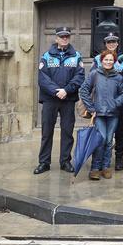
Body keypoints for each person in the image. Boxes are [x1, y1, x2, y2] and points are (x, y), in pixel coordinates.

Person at [35, 27, 84, 175]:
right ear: (56, 38)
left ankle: (65, 161)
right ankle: (44, 162)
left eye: (66, 37)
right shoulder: (46, 56)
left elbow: (80, 76)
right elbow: (43, 79)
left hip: (68, 99)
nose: (64, 39)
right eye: (61, 36)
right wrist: (57, 91)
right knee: (46, 132)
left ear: (69, 38)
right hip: (50, 99)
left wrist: (66, 90)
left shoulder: (76, 56)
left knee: (67, 131)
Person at [80, 48, 123, 181]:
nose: (108, 62)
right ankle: (95, 168)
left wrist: (116, 103)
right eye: (106, 60)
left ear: (114, 62)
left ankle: (106, 166)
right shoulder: (95, 74)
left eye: (111, 60)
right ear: (101, 61)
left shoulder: (118, 77)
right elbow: (84, 90)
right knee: (100, 141)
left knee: (108, 141)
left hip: (113, 114)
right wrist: (91, 107)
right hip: (99, 114)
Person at [93, 34, 123, 172]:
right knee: (101, 135)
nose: (111, 44)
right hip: (101, 103)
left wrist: (116, 92)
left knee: (120, 131)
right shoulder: (98, 59)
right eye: (108, 42)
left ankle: (119, 158)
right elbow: (92, 81)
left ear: (118, 43)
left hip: (118, 103)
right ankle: (99, 162)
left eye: (114, 41)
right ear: (105, 43)